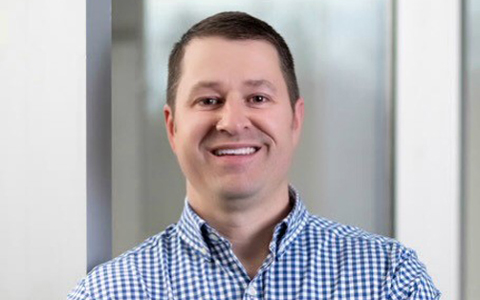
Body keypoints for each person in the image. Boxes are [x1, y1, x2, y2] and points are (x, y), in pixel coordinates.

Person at [68, 11, 440, 300]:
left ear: (295, 119)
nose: (232, 122)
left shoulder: (390, 280)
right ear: (172, 126)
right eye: (208, 100)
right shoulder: (109, 293)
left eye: (258, 99)